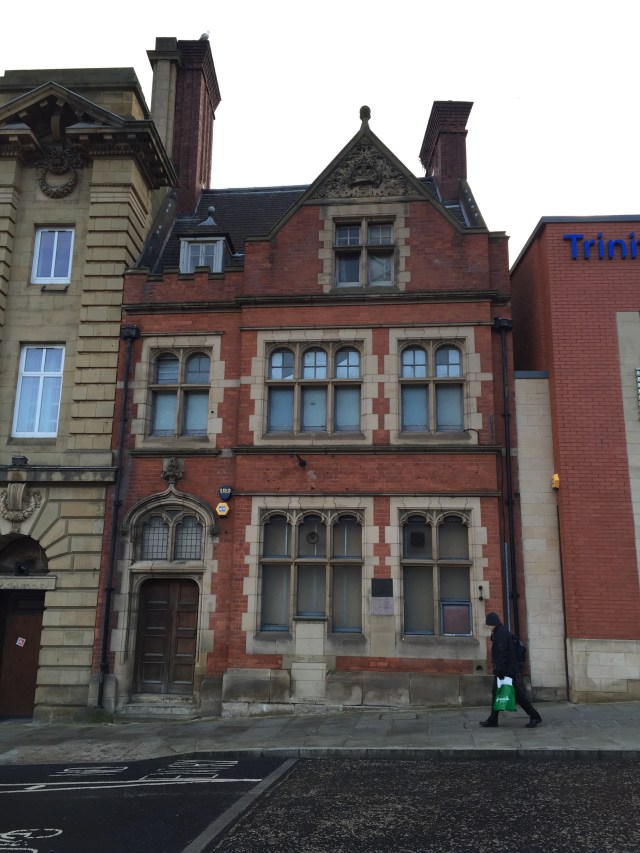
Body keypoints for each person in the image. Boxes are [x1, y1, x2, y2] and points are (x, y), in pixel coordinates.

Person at [479, 611, 542, 728]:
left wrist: (499, 670)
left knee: (516, 695)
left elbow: (502, 654)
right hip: (506, 670)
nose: (487, 626)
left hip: (506, 671)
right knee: (496, 693)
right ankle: (493, 719)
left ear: (493, 623)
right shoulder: (500, 632)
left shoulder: (501, 634)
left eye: (488, 624)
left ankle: (535, 716)